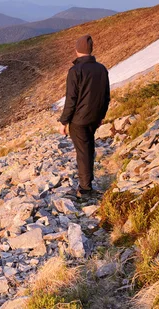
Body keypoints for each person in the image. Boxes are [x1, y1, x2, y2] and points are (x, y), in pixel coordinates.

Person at [59, 34, 110, 198]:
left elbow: (71, 99)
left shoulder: (75, 71)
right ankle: (87, 184)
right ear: (91, 50)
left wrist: (63, 121)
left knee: (83, 152)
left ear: (77, 50)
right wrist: (101, 115)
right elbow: (105, 95)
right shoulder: (101, 69)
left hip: (79, 119)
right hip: (94, 117)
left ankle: (85, 189)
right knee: (88, 149)